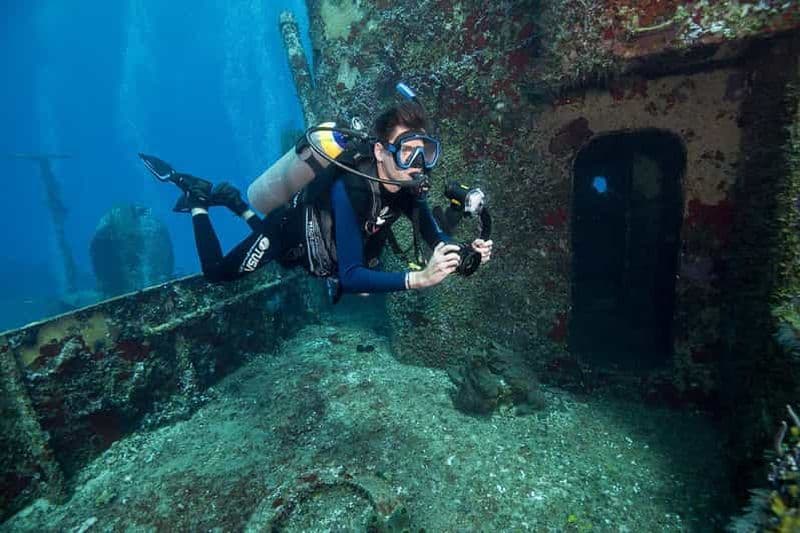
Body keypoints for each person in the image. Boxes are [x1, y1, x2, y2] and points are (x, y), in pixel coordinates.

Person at [139, 101, 492, 300]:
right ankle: (199, 199)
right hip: (286, 234)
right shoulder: (352, 188)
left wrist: (463, 253)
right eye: (408, 153)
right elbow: (352, 277)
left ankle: (234, 202)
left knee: (290, 261)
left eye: (425, 153)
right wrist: (419, 280)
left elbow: (434, 237)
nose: (418, 166)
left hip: (318, 254)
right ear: (382, 152)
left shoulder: (409, 189)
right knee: (216, 273)